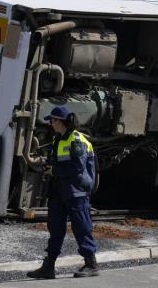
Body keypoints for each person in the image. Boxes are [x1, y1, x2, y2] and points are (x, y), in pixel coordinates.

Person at [27, 106, 99, 279]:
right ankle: (49, 266)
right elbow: (61, 163)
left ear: (60, 121)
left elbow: (76, 167)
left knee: (81, 228)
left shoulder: (76, 140)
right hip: (60, 191)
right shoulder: (59, 139)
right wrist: (50, 165)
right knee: (56, 228)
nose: (50, 124)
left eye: (52, 121)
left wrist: (54, 170)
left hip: (76, 192)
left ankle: (91, 264)